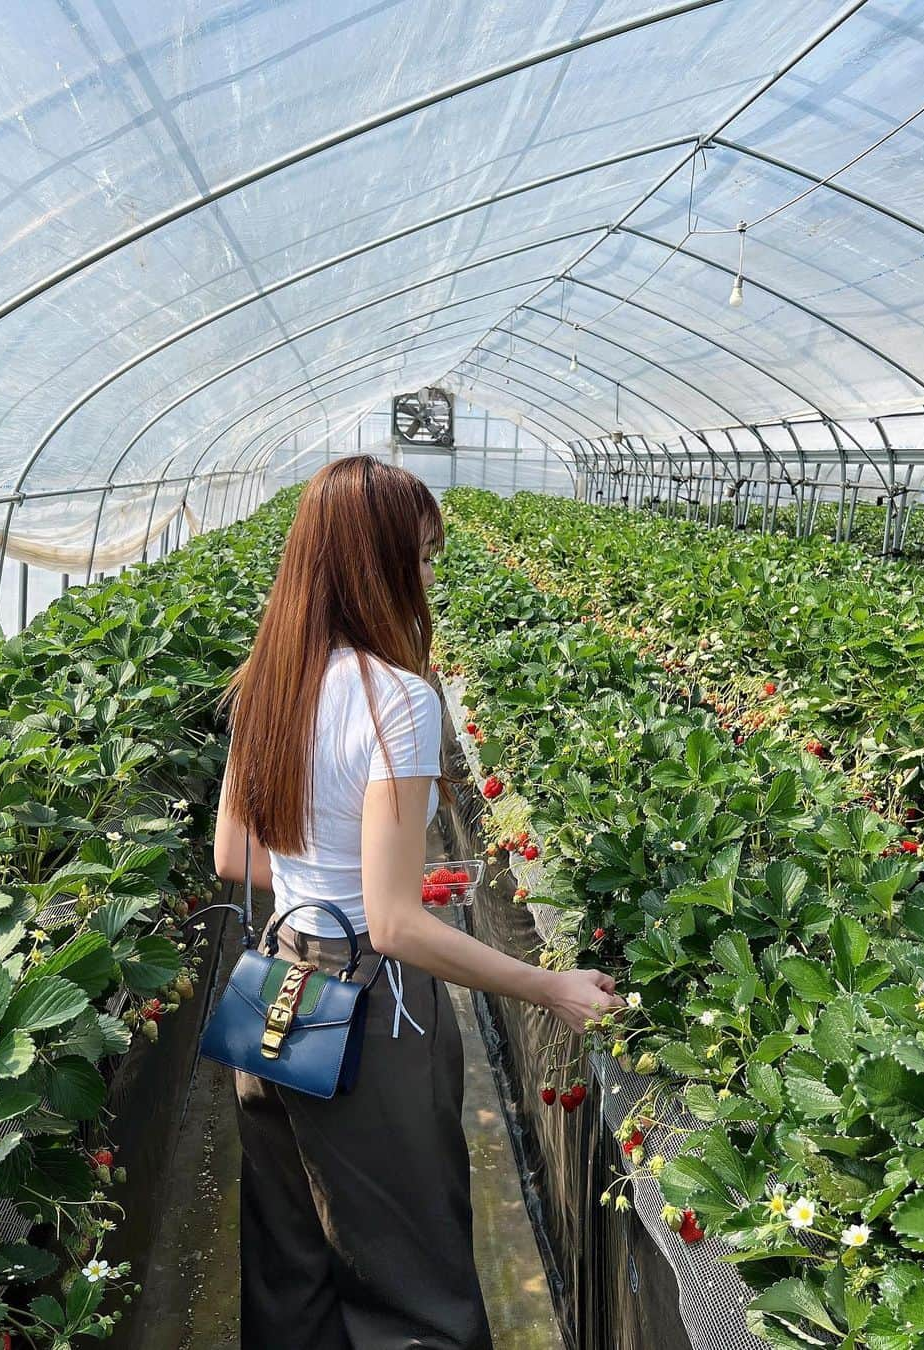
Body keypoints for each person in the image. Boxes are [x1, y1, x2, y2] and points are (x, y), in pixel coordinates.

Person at [213, 454, 627, 1350]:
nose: (432, 576)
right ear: (377, 564)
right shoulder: (398, 699)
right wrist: (546, 986)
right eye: (427, 556)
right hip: (367, 1013)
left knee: (290, 1273)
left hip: (273, 993)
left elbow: (234, 855)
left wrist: (337, 878)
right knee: (414, 1292)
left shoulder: (265, 686)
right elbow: (395, 925)